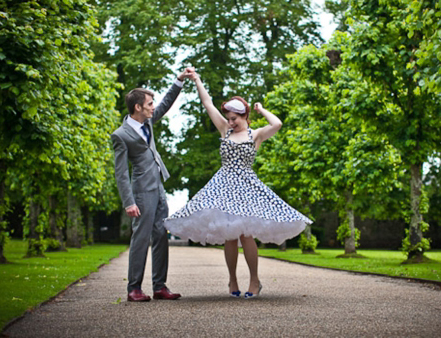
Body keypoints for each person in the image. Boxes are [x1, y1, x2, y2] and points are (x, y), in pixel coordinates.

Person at [164, 71, 313, 299]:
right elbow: (207, 103)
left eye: (235, 118)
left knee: (246, 234)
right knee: (230, 235)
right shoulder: (224, 129)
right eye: (229, 118)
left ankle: (254, 280)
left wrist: (261, 109)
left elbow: (278, 123)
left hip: (246, 187)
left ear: (245, 116)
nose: (231, 122)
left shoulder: (256, 135)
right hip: (223, 185)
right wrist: (197, 79)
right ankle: (232, 278)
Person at [111, 68, 194, 302]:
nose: (152, 106)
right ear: (138, 107)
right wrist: (129, 202)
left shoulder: (149, 123)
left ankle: (160, 286)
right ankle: (134, 288)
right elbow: (121, 173)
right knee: (141, 237)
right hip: (141, 192)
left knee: (160, 235)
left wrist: (179, 80)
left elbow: (166, 103)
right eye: (149, 103)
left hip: (158, 188)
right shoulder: (121, 135)